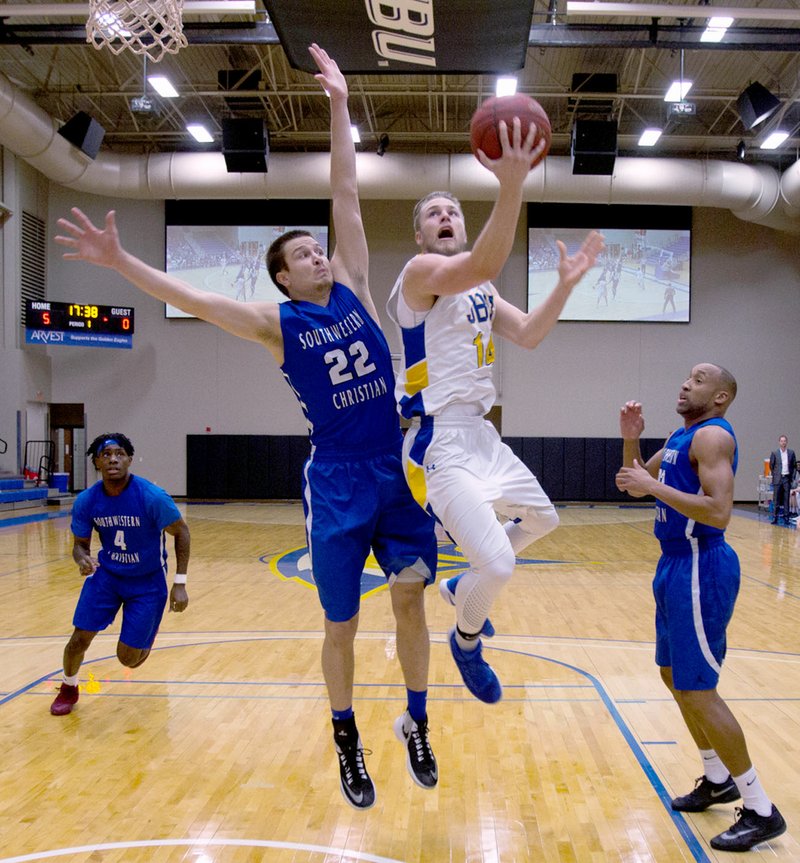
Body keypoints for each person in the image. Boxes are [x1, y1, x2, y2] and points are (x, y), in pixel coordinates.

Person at [55, 44, 437, 810]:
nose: (318, 254)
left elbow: (347, 193)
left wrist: (337, 103)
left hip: (393, 468)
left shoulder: (357, 284)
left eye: (317, 247)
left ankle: (418, 720)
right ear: (285, 278)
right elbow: (192, 298)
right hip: (333, 479)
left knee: (412, 591)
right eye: (302, 254)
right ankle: (345, 736)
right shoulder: (275, 323)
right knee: (342, 624)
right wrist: (122, 259)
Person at [386, 118, 603, 704]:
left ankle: (461, 586)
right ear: (420, 236)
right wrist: (512, 184)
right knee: (501, 565)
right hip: (437, 443)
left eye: (451, 210)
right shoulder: (418, 276)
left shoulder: (480, 290)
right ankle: (465, 640)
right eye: (434, 213)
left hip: (482, 435)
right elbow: (480, 264)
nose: (445, 217)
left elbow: (529, 334)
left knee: (545, 520)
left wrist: (564, 286)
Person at [616, 363, 786, 853]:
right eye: (687, 376)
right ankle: (717, 778)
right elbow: (629, 482)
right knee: (673, 677)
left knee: (699, 690)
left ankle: (760, 808)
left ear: (721, 397)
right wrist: (630, 439)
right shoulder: (678, 436)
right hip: (672, 565)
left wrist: (653, 488)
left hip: (700, 566)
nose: (686, 382)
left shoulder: (713, 438)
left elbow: (720, 511)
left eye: (699, 378)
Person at [50, 433, 190, 716]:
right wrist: (83, 559)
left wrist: (179, 583)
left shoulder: (151, 496)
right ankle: (68, 687)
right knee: (79, 639)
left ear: (129, 459)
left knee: (129, 660)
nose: (113, 458)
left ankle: (144, 635)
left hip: (147, 582)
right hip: (107, 577)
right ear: (96, 462)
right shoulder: (87, 501)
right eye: (106, 454)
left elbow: (182, 532)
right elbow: (79, 545)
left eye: (120, 453)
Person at [769, 434, 796, 525]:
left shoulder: (791, 453)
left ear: (786, 442)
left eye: (785, 441)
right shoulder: (775, 453)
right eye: (781, 441)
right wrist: (775, 475)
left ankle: (786, 518)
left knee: (786, 499)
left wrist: (791, 477)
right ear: (779, 442)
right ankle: (775, 517)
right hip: (778, 478)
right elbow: (771, 466)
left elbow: (794, 466)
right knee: (776, 499)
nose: (783, 443)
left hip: (786, 478)